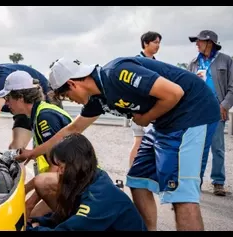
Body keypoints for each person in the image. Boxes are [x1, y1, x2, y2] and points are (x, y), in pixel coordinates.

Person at [17, 57, 220, 231]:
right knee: (137, 179)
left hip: (192, 113)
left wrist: (146, 117)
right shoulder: (97, 98)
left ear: (72, 83)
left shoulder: (116, 73)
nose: (72, 100)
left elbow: (174, 93)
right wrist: (33, 153)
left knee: (180, 194)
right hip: (162, 124)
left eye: (67, 95)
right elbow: (72, 129)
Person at [26, 133, 147, 231]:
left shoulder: (98, 198)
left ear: (75, 163)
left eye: (61, 167)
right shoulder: (92, 176)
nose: (59, 172)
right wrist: (41, 221)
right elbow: (73, 216)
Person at [0, 70, 73, 219]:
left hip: (76, 182)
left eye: (8, 98)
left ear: (19, 97)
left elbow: (56, 166)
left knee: (32, 216)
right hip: (68, 180)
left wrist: (29, 202)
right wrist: (23, 191)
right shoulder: (39, 114)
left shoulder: (45, 117)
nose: (6, 103)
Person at [187, 30, 233, 196]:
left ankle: (218, 182)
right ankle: (195, 181)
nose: (196, 44)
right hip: (197, 111)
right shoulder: (193, 63)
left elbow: (232, 87)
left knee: (217, 148)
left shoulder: (226, 61)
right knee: (196, 148)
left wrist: (225, 106)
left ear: (209, 43)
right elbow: (188, 87)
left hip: (217, 110)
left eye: (199, 41)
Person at [129, 31, 162, 167]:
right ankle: (131, 171)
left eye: (159, 43)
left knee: (151, 143)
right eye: (155, 42)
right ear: (145, 43)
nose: (158, 46)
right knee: (139, 141)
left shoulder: (157, 64)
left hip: (153, 109)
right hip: (138, 108)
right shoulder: (136, 62)